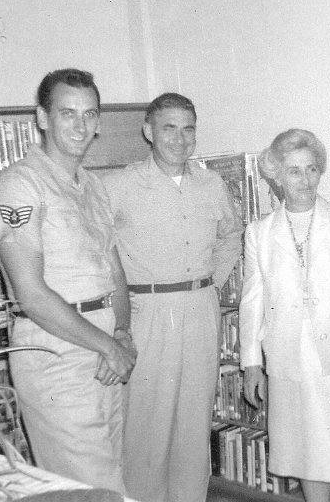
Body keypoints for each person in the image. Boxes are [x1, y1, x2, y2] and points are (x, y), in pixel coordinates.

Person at [0, 69, 137, 493]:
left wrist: (121, 334)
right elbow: (30, 294)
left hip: (105, 351)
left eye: (89, 114)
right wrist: (109, 345)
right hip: (56, 355)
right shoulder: (19, 185)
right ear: (42, 117)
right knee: (86, 489)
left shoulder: (93, 187)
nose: (80, 126)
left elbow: (114, 274)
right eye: (67, 113)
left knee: (108, 479)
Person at [102, 92, 243, 502]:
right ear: (148, 131)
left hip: (200, 308)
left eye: (188, 129)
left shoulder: (212, 184)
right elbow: (97, 249)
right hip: (146, 311)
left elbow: (231, 235)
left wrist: (212, 284)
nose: (180, 139)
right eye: (169, 128)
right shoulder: (118, 186)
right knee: (147, 423)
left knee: (194, 421)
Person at [240, 128, 330, 502]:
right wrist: (252, 363)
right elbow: (252, 301)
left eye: (311, 169)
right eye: (294, 171)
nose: (305, 180)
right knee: (305, 459)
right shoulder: (259, 233)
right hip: (288, 363)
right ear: (277, 177)